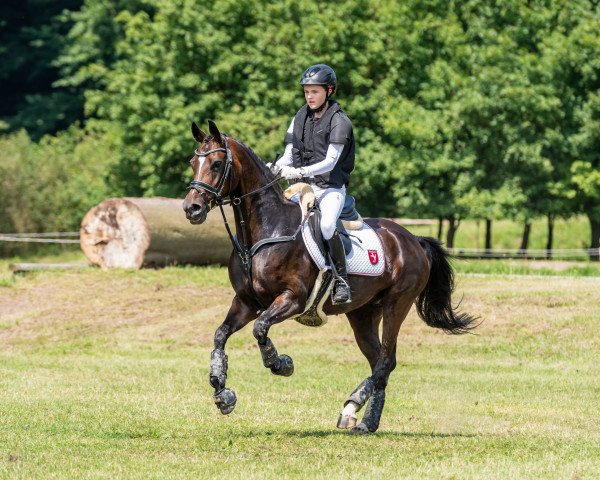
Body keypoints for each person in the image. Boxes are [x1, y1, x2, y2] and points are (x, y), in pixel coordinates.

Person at [272, 64, 355, 305]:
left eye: (315, 91)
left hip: (330, 188)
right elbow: (289, 154)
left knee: (327, 226)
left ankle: (342, 280)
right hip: (303, 189)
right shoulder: (299, 117)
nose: (309, 96)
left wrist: (297, 171)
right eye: (306, 91)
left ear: (329, 90)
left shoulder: (340, 122)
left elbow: (330, 162)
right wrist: (275, 166)